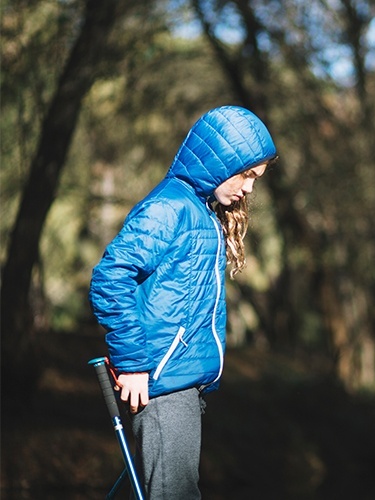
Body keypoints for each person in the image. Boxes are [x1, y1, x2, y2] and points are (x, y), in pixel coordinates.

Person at [89, 105, 277, 499]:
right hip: (161, 385)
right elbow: (111, 277)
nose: (249, 188)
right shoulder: (169, 208)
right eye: (246, 175)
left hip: (181, 385)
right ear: (221, 158)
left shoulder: (200, 211)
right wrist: (134, 365)